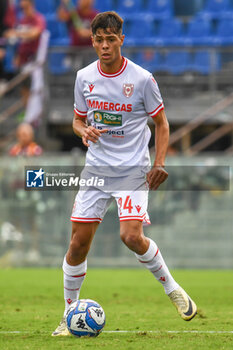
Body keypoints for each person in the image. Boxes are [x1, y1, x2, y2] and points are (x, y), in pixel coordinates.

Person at [52, 11, 197, 336]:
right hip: (97, 169)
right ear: (92, 41)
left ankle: (172, 289)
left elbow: (161, 123)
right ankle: (68, 315)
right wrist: (82, 131)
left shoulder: (142, 79)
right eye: (99, 40)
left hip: (133, 168)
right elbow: (77, 119)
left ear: (121, 39)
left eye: (110, 39)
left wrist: (159, 163)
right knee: (77, 244)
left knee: (130, 236)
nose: (105, 45)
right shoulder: (84, 77)